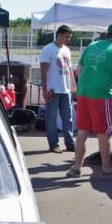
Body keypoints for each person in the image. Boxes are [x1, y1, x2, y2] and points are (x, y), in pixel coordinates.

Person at [67, 22, 112, 180]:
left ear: (107, 33)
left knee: (82, 132)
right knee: (104, 133)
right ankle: (107, 170)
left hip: (84, 94)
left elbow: (79, 70)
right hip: (102, 97)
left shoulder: (92, 45)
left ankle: (76, 168)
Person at [40, 25, 76, 153]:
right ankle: (53, 144)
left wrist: (73, 85)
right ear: (59, 35)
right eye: (67, 36)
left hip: (66, 90)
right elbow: (43, 72)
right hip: (53, 90)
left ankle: (70, 143)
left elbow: (69, 69)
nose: (68, 39)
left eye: (69, 37)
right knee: (52, 118)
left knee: (68, 118)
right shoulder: (48, 50)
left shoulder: (67, 50)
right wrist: (44, 90)